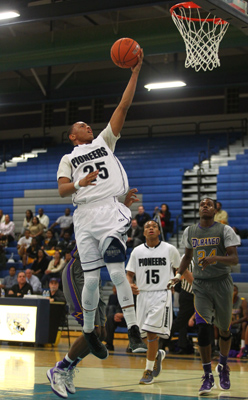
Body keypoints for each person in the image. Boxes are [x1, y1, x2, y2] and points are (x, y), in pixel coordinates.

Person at [56, 50, 146, 360]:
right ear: (72, 135)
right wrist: (79, 183)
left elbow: (123, 105)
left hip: (110, 211)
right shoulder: (68, 158)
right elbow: (61, 190)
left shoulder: (104, 141)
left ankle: (134, 330)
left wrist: (134, 72)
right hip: (84, 216)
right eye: (82, 125)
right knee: (92, 277)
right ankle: (90, 333)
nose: (88, 126)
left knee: (116, 268)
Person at [46, 189, 144, 399]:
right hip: (78, 270)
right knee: (90, 332)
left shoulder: (117, 223)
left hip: (94, 277)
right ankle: (60, 369)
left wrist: (124, 207)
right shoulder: (92, 215)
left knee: (99, 334)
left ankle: (67, 368)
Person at [167, 197, 239, 396]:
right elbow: (188, 257)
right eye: (202, 204)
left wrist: (216, 257)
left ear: (215, 209)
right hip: (201, 285)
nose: (205, 206)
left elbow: (234, 258)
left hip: (222, 283)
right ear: (199, 210)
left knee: (224, 330)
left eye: (209, 204)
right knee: (203, 327)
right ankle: (207, 374)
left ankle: (223, 366)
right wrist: (178, 275)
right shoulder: (190, 231)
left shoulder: (225, 230)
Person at [126, 219, 181, 384]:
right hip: (142, 295)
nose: (151, 228)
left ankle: (148, 370)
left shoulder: (170, 249)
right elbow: (129, 274)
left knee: (151, 332)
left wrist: (176, 278)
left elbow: (180, 269)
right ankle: (156, 354)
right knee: (144, 336)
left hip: (161, 294)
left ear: (159, 231)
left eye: (154, 226)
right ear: (143, 232)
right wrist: (130, 284)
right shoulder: (136, 251)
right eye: (147, 227)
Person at [162, 258, 195, 355]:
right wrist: (191, 276)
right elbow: (178, 275)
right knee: (180, 321)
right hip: (188, 294)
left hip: (202, 294)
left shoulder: (205, 254)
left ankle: (211, 349)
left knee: (207, 321)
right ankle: (162, 343)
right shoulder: (185, 257)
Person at [105, 286, 127, 351]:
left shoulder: (139, 295)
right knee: (110, 318)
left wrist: (124, 315)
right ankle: (109, 344)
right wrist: (117, 314)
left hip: (135, 318)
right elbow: (119, 307)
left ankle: (133, 345)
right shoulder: (124, 296)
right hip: (124, 318)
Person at [230, 284, 248, 358]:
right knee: (216, 324)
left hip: (238, 324)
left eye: (234, 290)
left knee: (244, 324)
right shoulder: (224, 302)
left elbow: (246, 317)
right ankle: (217, 348)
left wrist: (234, 322)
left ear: (237, 292)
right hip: (227, 323)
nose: (233, 292)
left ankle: (242, 348)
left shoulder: (242, 302)